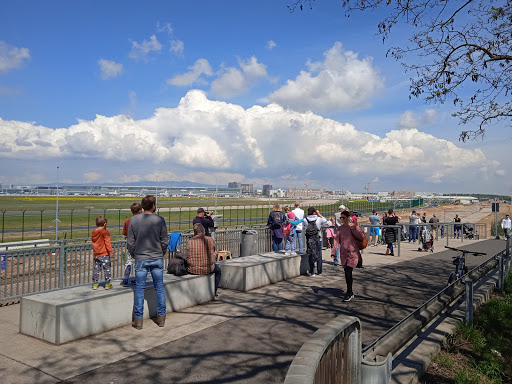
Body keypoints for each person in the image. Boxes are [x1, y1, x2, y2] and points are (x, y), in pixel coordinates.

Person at [127, 195, 168, 330]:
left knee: (139, 289)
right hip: (156, 257)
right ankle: (161, 317)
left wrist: (135, 254)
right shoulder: (160, 220)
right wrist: (160, 253)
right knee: (159, 288)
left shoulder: (134, 220)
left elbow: (130, 242)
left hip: (141, 258)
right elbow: (164, 241)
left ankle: (138, 320)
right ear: (154, 205)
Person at [334, 210, 364, 302]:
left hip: (353, 253)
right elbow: (336, 240)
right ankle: (350, 292)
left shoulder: (354, 227)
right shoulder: (340, 228)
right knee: (347, 273)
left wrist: (354, 229)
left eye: (343, 217)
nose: (342, 219)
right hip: (344, 253)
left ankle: (349, 292)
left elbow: (361, 237)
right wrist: (333, 252)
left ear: (348, 218)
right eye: (341, 218)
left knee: (348, 272)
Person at [187, 223, 222, 296]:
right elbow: (213, 250)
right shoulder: (210, 240)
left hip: (192, 268)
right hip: (207, 268)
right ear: (203, 231)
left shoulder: (190, 241)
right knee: (218, 271)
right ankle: (214, 291)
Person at [121, 202, 142, 286]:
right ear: (140, 211)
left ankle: (126, 279)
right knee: (139, 263)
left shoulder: (127, 221)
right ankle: (138, 279)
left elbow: (125, 233)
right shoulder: (142, 220)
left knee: (128, 262)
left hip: (130, 245)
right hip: (140, 246)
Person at [303, 207, 327, 277]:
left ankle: (312, 272)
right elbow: (325, 220)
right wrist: (319, 214)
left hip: (309, 239)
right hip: (317, 239)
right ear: (314, 212)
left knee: (310, 254)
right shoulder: (318, 219)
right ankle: (319, 271)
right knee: (319, 254)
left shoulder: (305, 220)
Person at [91, 215, 113, 290]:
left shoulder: (93, 232)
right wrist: (111, 251)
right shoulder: (105, 232)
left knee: (96, 269)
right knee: (106, 269)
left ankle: (95, 284)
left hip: (96, 254)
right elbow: (107, 242)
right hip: (104, 253)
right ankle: (107, 284)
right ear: (105, 224)